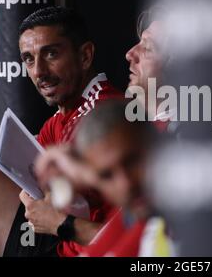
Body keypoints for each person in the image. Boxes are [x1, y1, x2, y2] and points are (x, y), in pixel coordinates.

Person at [0, 6, 121, 257]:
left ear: (85, 56)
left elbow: (130, 238)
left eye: (51, 54)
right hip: (58, 242)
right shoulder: (58, 120)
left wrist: (57, 221)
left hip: (80, 248)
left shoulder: (105, 114)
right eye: (29, 59)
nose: (39, 71)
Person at [35, 100, 176, 256]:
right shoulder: (133, 214)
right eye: (106, 175)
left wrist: (59, 222)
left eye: (131, 162)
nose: (125, 184)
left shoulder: (191, 195)